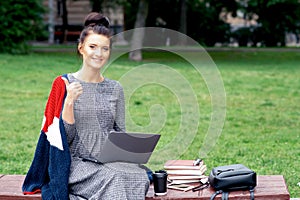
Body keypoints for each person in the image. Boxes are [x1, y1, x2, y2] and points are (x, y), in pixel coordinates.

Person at [22, 12, 150, 200]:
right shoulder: (64, 83)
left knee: (137, 177)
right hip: (74, 164)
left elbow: (119, 131)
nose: (99, 54)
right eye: (93, 47)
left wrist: (131, 150)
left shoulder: (115, 88)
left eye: (105, 49)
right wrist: (69, 102)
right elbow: (60, 140)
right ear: (81, 48)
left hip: (106, 161)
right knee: (114, 178)